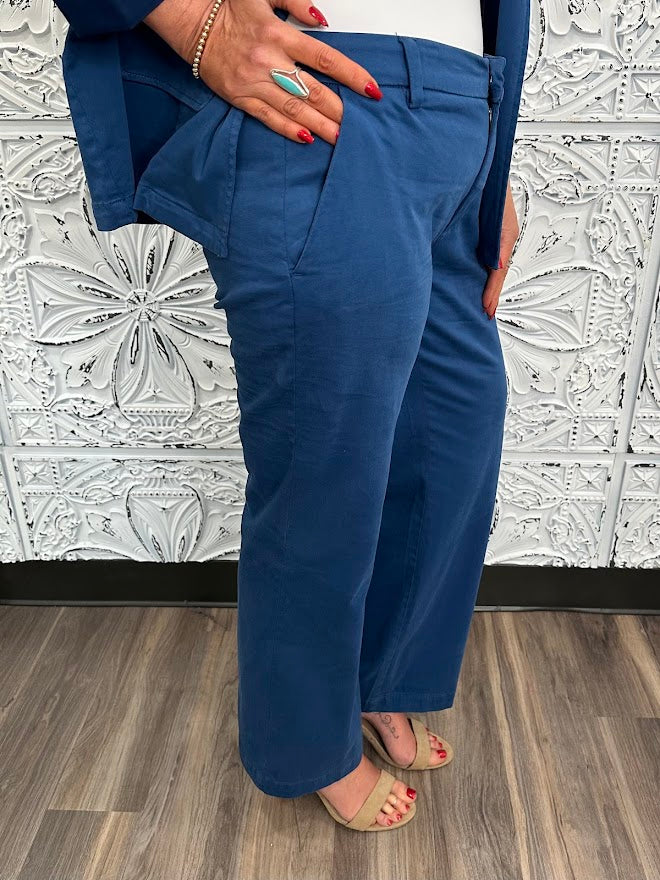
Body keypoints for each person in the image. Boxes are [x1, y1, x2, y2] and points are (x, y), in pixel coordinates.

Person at [52, 0, 530, 832]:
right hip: (320, 99)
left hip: (463, 112)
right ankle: (308, 745)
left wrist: (491, 157)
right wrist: (192, 21)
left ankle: (380, 681)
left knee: (456, 431)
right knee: (325, 468)